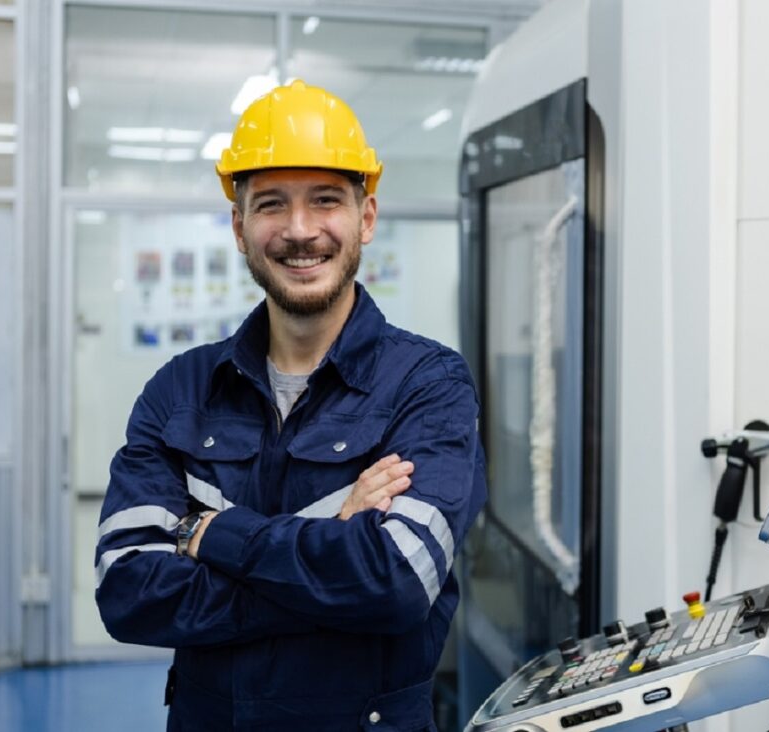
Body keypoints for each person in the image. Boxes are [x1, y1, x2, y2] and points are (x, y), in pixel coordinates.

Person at [94, 80, 487, 731]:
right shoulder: (181, 389)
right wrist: (337, 541)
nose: (301, 231)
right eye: (272, 204)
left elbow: (397, 580)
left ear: (365, 217)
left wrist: (209, 532)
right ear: (240, 227)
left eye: (326, 200)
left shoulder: (428, 384)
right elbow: (129, 592)